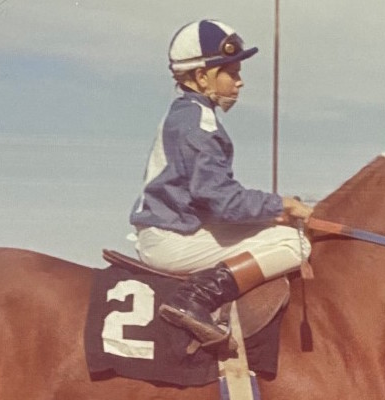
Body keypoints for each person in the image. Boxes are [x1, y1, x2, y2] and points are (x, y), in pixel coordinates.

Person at [130, 19, 313, 346]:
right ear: (202, 76)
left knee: (281, 231)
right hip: (174, 238)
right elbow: (222, 202)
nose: (240, 82)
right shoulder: (198, 123)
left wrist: (271, 214)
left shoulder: (188, 113)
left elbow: (210, 200)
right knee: (293, 245)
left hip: (176, 228)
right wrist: (280, 204)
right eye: (232, 72)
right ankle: (193, 299)